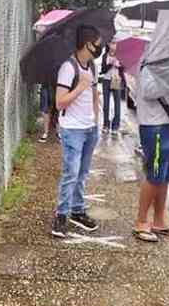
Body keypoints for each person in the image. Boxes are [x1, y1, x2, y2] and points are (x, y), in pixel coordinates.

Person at [50, 25, 102, 238]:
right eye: (97, 43)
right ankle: (61, 215)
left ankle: (77, 211)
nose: (100, 47)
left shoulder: (92, 67)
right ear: (87, 43)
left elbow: (94, 95)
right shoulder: (68, 67)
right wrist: (80, 87)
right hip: (72, 130)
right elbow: (59, 102)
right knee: (70, 173)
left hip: (90, 128)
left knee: (82, 173)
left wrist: (98, 122)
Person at [132, 65, 169, 242]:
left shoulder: (162, 65)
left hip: (167, 125)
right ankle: (141, 221)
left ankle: (159, 220)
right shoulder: (150, 67)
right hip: (154, 126)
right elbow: (149, 91)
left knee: (164, 176)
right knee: (154, 174)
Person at [100, 42, 125, 135]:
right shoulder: (105, 55)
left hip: (116, 80)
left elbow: (123, 68)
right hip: (106, 80)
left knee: (117, 104)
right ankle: (106, 125)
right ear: (108, 45)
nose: (113, 45)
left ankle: (115, 126)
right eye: (111, 43)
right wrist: (111, 64)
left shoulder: (120, 55)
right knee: (106, 104)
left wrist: (120, 66)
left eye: (115, 43)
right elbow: (102, 70)